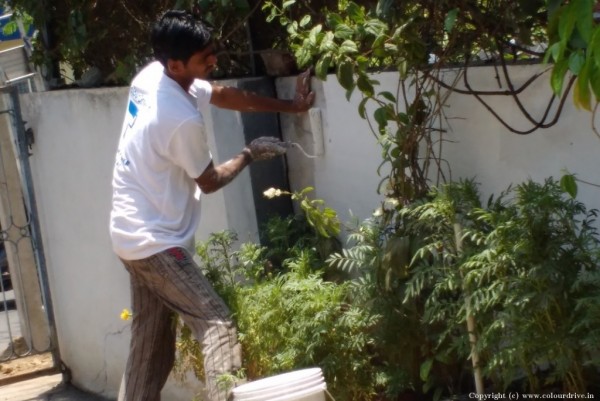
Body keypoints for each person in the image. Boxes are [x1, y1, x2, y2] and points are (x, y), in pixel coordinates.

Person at [109, 9, 314, 401]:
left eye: (212, 52)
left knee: (150, 352)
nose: (214, 61)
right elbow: (209, 180)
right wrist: (250, 153)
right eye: (205, 58)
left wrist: (291, 106)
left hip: (128, 235)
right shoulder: (176, 118)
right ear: (176, 64)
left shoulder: (153, 77)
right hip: (156, 244)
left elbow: (220, 94)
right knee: (217, 324)